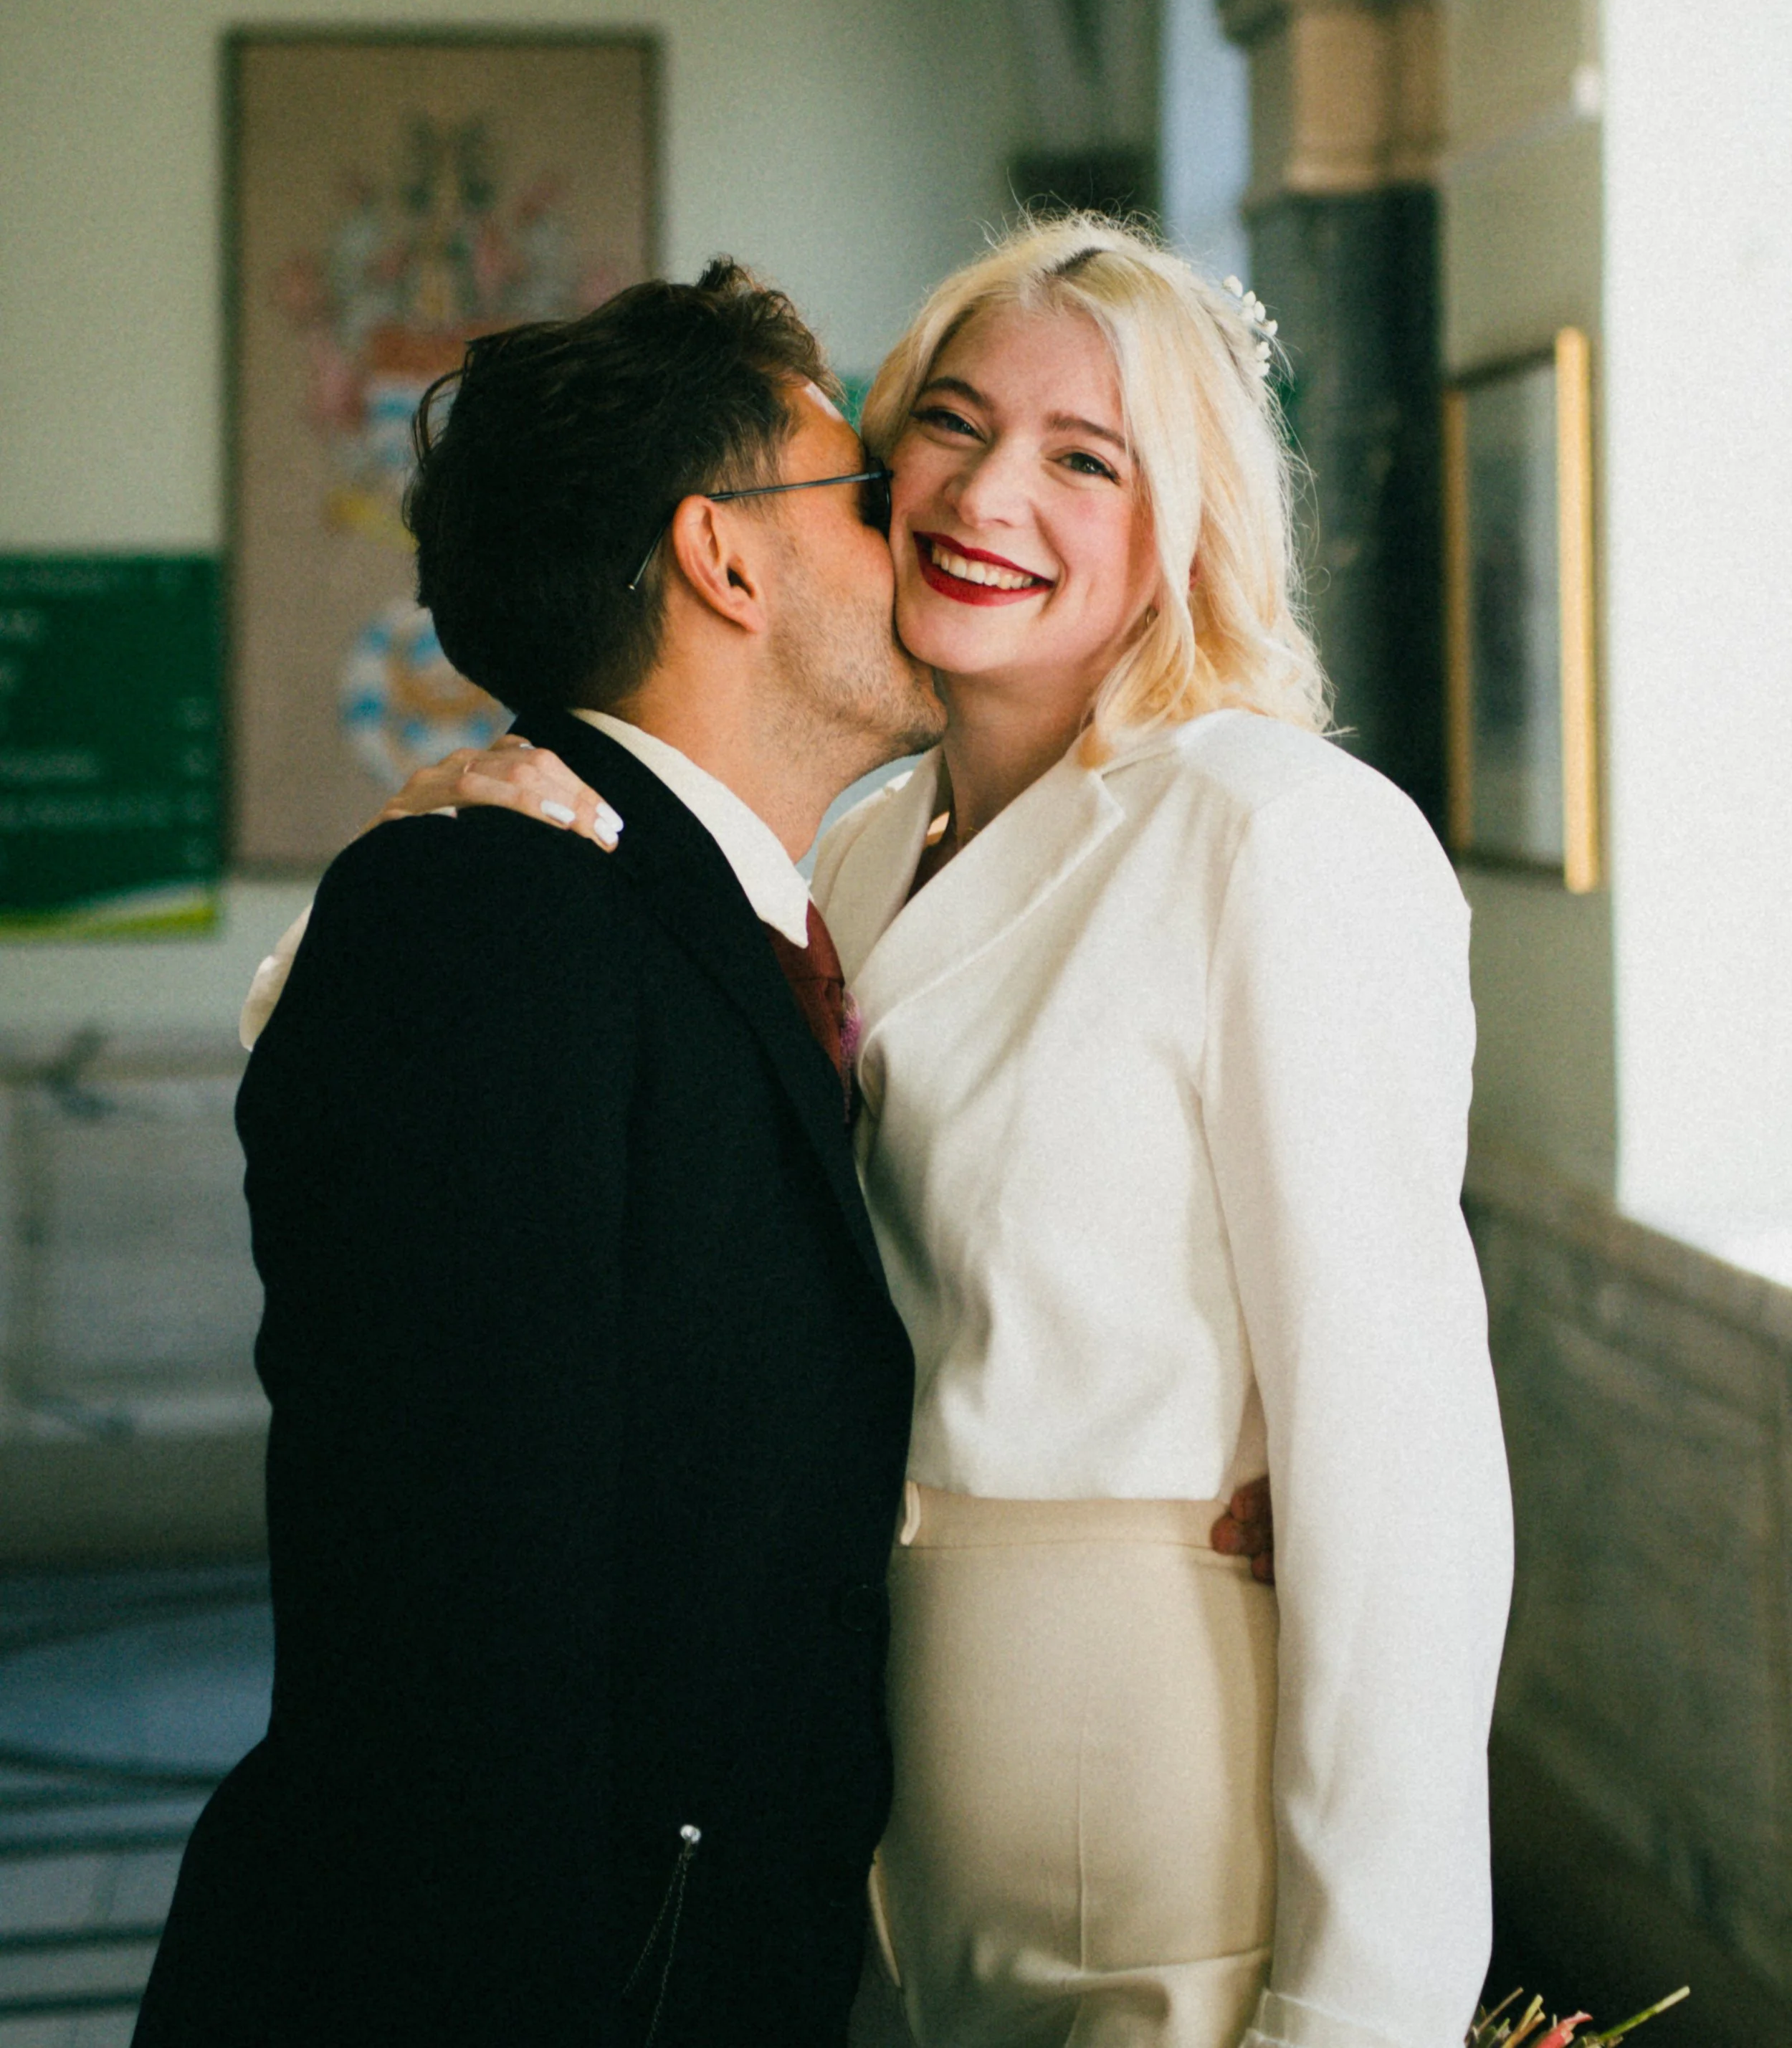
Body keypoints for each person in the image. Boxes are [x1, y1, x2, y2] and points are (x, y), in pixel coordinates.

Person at [409, 218, 1512, 2048]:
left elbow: (1399, 1467)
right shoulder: (849, 844)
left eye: (1086, 458)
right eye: (949, 422)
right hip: (856, 1790)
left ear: (1188, 524)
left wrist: (1363, 2004)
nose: (989, 491)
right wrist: (448, 851)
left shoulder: (1275, 834)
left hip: (1145, 1786)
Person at [133, 263, 948, 2048]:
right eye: (871, 494)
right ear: (724, 555)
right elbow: (453, 1628)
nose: (933, 536)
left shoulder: (706, 918)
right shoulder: (491, 921)